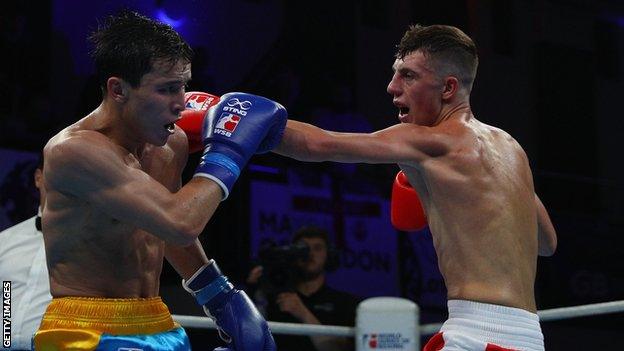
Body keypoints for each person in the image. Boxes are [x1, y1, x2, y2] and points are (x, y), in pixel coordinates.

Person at [274, 24, 557, 351]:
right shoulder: (512, 149)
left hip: (477, 334)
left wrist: (231, 118)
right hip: (529, 336)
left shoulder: (430, 141)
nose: (392, 87)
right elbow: (546, 243)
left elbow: (317, 145)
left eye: (408, 76)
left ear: (448, 87)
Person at [34, 10, 285, 350]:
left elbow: (164, 231)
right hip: (86, 329)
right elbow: (179, 222)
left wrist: (219, 296)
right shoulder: (74, 152)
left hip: (157, 320)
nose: (182, 103)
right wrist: (226, 153)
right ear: (118, 89)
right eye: (167, 89)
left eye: (183, 86)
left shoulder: (169, 144)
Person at [247, 227, 359, 351]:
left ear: (329, 255)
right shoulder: (272, 299)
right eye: (303, 248)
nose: (310, 253)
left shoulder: (345, 304)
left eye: (317, 248)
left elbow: (338, 349)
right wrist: (252, 290)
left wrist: (302, 312)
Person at [0, 156, 52, 350]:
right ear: (38, 177)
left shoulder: (91, 244)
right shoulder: (4, 240)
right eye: (54, 172)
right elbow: (6, 294)